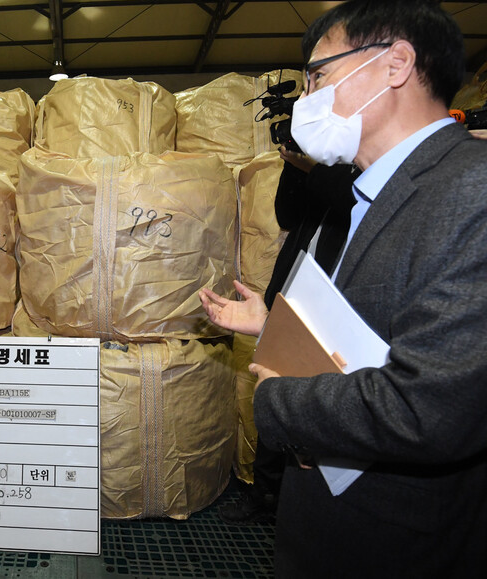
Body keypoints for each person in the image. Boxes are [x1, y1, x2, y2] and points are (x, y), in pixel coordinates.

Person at [206, 1, 487, 576]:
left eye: (319, 75)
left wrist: (276, 401)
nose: (308, 98)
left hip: (399, 541)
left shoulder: (471, 193)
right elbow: (378, 327)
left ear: (395, 63)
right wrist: (271, 327)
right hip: (332, 519)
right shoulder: (368, 192)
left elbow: (430, 408)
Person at [217, 149, 357, 524]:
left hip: (335, 301)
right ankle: (265, 492)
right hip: (296, 288)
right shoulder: (323, 171)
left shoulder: (370, 171)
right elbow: (287, 214)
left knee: (314, 393)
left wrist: (315, 167)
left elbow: (346, 199)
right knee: (274, 380)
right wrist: (297, 168)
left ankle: (297, 500)